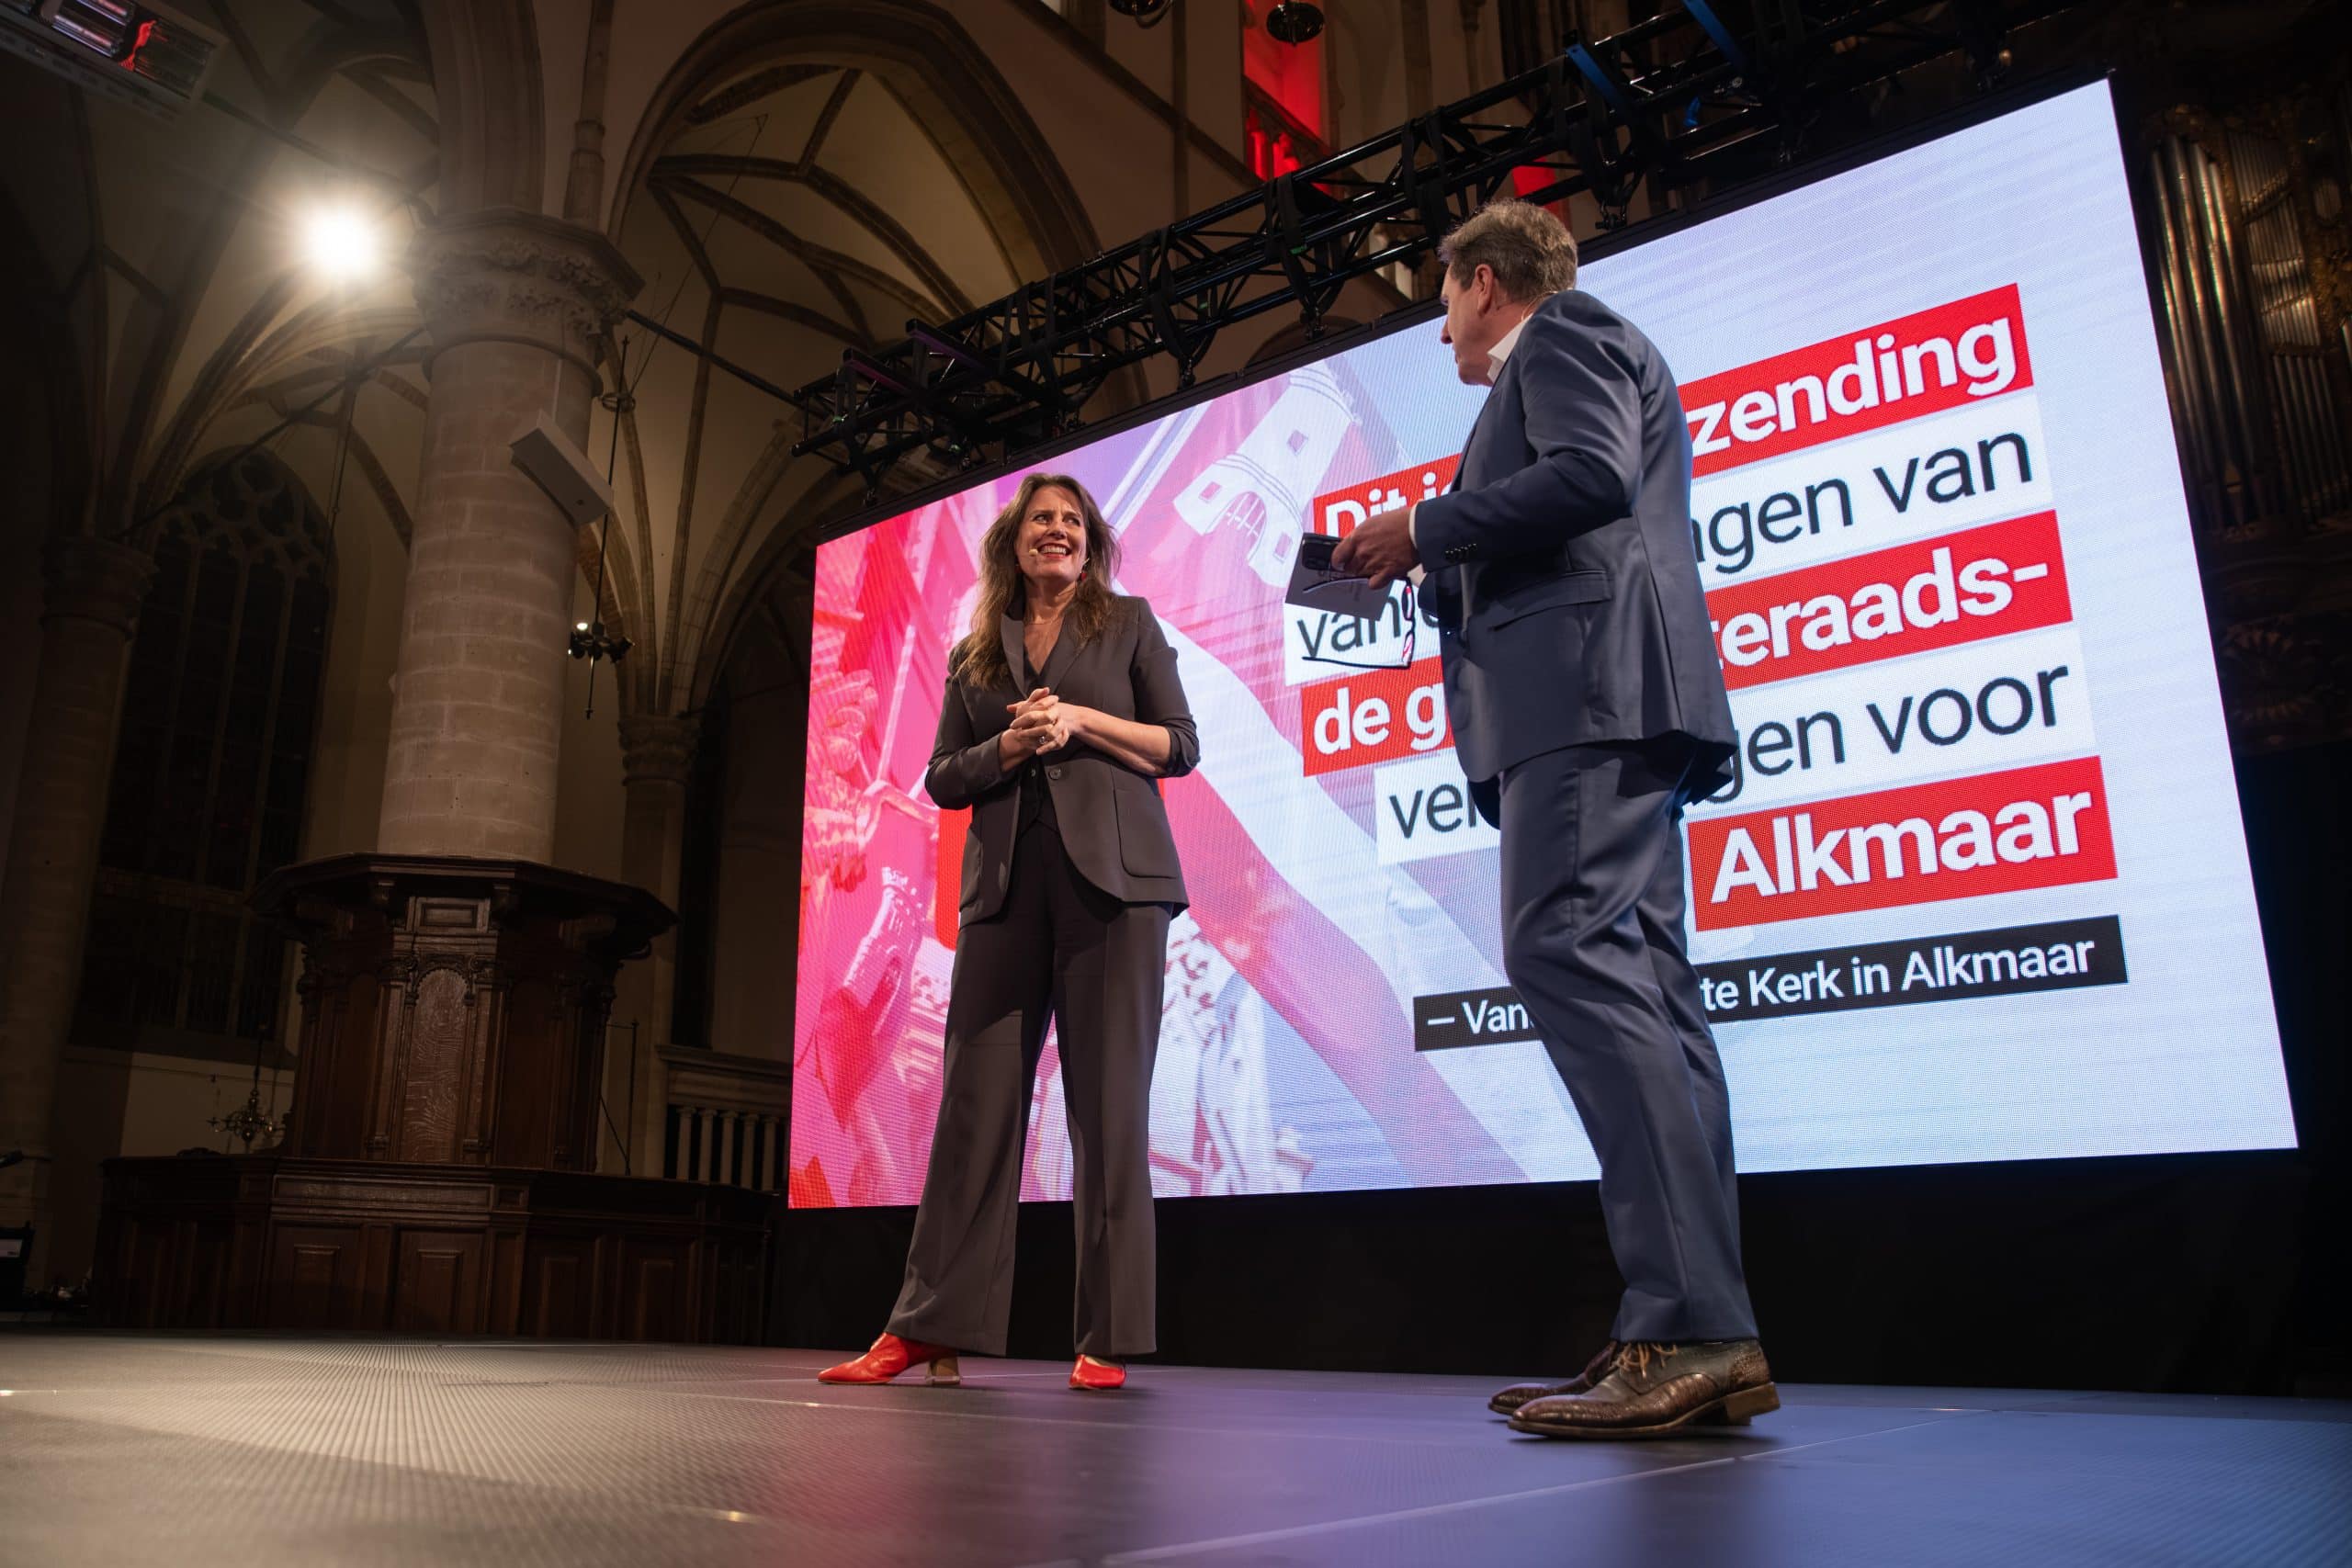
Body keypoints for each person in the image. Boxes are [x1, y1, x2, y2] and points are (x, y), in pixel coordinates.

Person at [1333, 199, 1775, 1438]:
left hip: (1586, 699)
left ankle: (1684, 1322)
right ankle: (1698, 1328)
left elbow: (1587, 477)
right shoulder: (1578, 350)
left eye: (1441, 300)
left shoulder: (1566, 334)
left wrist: (1422, 522)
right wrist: (1436, 570)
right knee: (1651, 990)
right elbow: (1572, 505)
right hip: (1605, 696)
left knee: (1565, 947)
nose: (1440, 333)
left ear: (1483, 282)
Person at [820, 472, 1197, 1393]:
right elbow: (944, 776)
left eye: (1070, 520)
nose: (1056, 532)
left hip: (1114, 889)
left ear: (1090, 538)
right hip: (1001, 898)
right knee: (971, 1113)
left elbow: (1178, 746)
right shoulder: (974, 653)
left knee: (1108, 1112)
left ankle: (1105, 1337)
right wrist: (1013, 746)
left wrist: (1079, 721)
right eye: (1040, 521)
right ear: (1014, 545)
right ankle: (925, 1328)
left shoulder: (1131, 624)